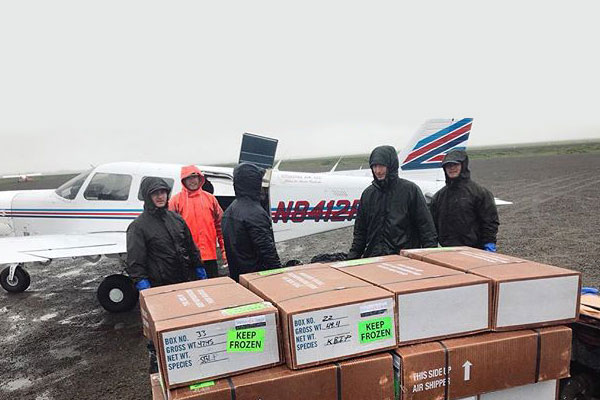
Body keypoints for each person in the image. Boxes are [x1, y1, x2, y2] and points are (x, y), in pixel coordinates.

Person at [126, 177, 206, 373]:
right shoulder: (138, 226)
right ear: (147, 196)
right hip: (159, 288)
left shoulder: (176, 219)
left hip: (184, 282)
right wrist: (143, 286)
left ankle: (189, 363)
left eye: (163, 192)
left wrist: (199, 267)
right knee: (160, 333)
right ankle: (157, 365)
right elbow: (135, 262)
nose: (160, 196)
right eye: (155, 193)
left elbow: (190, 246)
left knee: (186, 325)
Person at [348, 145, 438, 259]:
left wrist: (430, 258)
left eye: (381, 166)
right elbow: (360, 233)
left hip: (404, 260)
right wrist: (351, 259)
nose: (378, 171)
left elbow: (427, 230)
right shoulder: (368, 194)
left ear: (391, 166)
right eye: (374, 166)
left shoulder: (410, 191)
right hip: (375, 259)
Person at [430, 149, 499, 252]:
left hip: (474, 250)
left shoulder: (480, 193)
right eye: (448, 165)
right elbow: (432, 224)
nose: (452, 168)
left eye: (455, 164)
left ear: (463, 165)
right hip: (446, 251)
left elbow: (490, 222)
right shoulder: (439, 196)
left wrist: (489, 242)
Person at [222, 163, 282, 281]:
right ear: (254, 183)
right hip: (257, 278)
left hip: (238, 276)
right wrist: (279, 275)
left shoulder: (229, 210)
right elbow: (267, 251)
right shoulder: (255, 213)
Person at [169, 165, 227, 278]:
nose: (192, 181)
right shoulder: (175, 201)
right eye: (188, 178)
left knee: (212, 290)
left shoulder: (211, 199)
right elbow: (171, 233)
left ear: (200, 178)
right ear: (183, 180)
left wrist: (224, 253)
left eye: (195, 177)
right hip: (187, 259)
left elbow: (221, 228)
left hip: (210, 257)